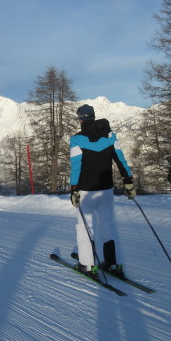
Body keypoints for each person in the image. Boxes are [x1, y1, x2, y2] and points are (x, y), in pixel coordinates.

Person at [69, 104, 136, 280]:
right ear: (94, 116)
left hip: (86, 191)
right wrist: (128, 181)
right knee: (108, 224)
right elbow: (121, 160)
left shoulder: (77, 139)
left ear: (80, 119)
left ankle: (87, 265)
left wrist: (73, 189)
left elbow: (76, 166)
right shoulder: (110, 136)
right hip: (106, 189)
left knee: (84, 227)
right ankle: (114, 264)